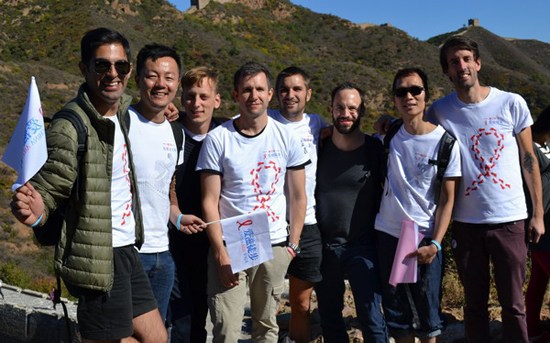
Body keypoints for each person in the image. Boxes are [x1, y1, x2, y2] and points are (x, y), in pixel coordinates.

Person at [10, 28, 167, 342]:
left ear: (129, 70)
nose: (112, 74)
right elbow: (51, 187)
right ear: (84, 69)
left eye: (120, 66)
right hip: (96, 259)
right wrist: (36, 211)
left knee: (157, 338)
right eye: (101, 66)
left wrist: (166, 110)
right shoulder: (70, 125)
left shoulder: (121, 114)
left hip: (125, 250)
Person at [426, 36, 544, 342]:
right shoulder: (439, 111)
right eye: (454, 61)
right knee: (474, 305)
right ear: (447, 71)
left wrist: (538, 214)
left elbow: (528, 158)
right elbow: (416, 130)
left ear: (478, 63)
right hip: (466, 224)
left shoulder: (511, 103)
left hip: (510, 219)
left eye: (466, 58)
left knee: (514, 305)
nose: (461, 66)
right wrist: (387, 122)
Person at [197, 61, 309, 342]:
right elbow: (209, 201)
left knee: (266, 326)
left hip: (272, 243)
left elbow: (298, 195)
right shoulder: (218, 139)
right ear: (236, 95)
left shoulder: (286, 137)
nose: (253, 95)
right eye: (246, 90)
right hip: (230, 244)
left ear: (270, 94)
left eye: (260, 89)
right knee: (226, 327)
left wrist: (292, 244)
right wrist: (220, 250)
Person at [374, 68, 461, 342]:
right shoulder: (389, 135)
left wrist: (435, 243)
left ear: (426, 95)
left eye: (415, 90)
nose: (409, 97)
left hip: (423, 240)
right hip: (387, 236)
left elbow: (448, 200)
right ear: (394, 98)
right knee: (397, 318)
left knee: (428, 322)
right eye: (401, 91)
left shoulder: (445, 143)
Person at [129, 43, 205, 323]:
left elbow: (167, 189)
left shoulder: (177, 134)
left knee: (158, 332)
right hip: (128, 255)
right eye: (152, 76)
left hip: (163, 255)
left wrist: (178, 217)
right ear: (137, 80)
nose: (161, 84)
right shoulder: (120, 122)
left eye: (169, 77)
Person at [315, 82, 388, 342]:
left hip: (363, 246)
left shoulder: (375, 150)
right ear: (331, 110)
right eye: (340, 108)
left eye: (352, 108)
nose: (346, 113)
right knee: (330, 320)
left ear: (362, 111)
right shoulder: (318, 148)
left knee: (372, 319)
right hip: (325, 247)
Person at [168, 66, 226, 343]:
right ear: (181, 99)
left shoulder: (228, 134)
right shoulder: (169, 133)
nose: (197, 103)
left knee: (211, 314)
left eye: (204, 96)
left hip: (216, 240)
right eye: (190, 97)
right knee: (181, 317)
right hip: (176, 238)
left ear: (217, 100)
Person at [268, 66, 325, 343]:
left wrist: (387, 122)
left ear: (308, 93)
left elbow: (351, 125)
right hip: (269, 227)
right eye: (284, 89)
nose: (290, 95)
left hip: (308, 225)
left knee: (301, 305)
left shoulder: (318, 124)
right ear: (275, 94)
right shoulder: (262, 119)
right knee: (265, 303)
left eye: (297, 89)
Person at [526, 105, 550, 342]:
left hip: (546, 223)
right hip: (542, 224)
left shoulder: (544, 144)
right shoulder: (529, 146)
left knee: (538, 280)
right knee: (538, 279)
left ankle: (531, 329)